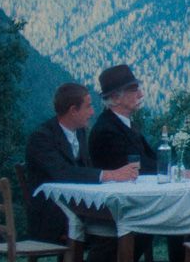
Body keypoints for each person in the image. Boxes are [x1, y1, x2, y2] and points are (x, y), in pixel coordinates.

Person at [87, 64, 183, 262]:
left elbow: (151, 159)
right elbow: (139, 167)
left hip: (135, 200)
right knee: (177, 217)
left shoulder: (126, 125)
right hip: (119, 205)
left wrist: (176, 169)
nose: (140, 94)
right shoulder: (107, 130)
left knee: (181, 216)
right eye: (133, 90)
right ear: (115, 98)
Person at [25, 83, 139, 244]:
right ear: (73, 110)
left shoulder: (79, 132)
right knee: (119, 229)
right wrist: (110, 175)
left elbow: (84, 169)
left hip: (79, 209)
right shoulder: (41, 138)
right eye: (88, 107)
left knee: (130, 224)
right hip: (53, 217)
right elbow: (63, 173)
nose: (92, 112)